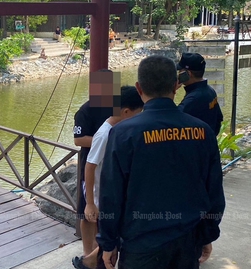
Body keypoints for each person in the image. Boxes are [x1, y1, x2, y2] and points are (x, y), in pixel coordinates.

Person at [98, 55, 225, 269]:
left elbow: (111, 194)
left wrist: (108, 243)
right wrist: (207, 234)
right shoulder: (203, 131)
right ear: (176, 86)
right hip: (187, 240)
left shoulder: (123, 134)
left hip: (141, 244)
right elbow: (213, 190)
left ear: (139, 88)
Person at [76, 86, 144, 269]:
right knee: (111, 237)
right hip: (102, 196)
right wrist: (90, 202)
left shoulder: (117, 129)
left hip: (111, 194)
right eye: (138, 113)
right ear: (126, 111)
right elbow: (89, 167)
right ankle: (88, 262)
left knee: (111, 237)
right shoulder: (105, 134)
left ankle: (89, 261)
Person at [72, 70, 114, 269]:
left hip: (112, 166)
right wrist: (105, 141)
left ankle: (101, 251)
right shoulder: (86, 110)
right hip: (90, 165)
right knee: (86, 213)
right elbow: (78, 139)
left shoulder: (116, 108)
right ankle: (87, 253)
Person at [177, 52, 224, 135]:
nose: (178, 74)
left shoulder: (193, 99)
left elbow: (170, 119)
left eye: (180, 71)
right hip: (207, 143)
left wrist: (171, 91)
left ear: (188, 74)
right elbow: (218, 119)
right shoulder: (210, 91)